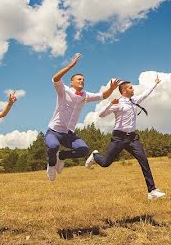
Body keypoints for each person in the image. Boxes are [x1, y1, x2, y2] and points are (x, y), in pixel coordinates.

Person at [85, 76, 166, 200]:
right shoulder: (118, 103)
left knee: (144, 160)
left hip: (133, 139)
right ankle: (95, 156)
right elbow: (101, 115)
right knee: (106, 163)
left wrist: (155, 84)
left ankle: (152, 190)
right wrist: (110, 104)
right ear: (124, 91)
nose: (133, 89)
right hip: (119, 138)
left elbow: (145, 94)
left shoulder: (134, 100)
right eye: (130, 87)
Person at [45, 53, 119, 181]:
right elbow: (55, 79)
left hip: (68, 134)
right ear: (71, 82)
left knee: (83, 150)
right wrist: (71, 65)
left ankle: (61, 156)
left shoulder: (85, 95)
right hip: (54, 131)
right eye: (79, 79)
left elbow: (102, 96)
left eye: (83, 80)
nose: (82, 81)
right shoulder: (64, 91)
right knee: (53, 146)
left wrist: (111, 88)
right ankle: (51, 165)